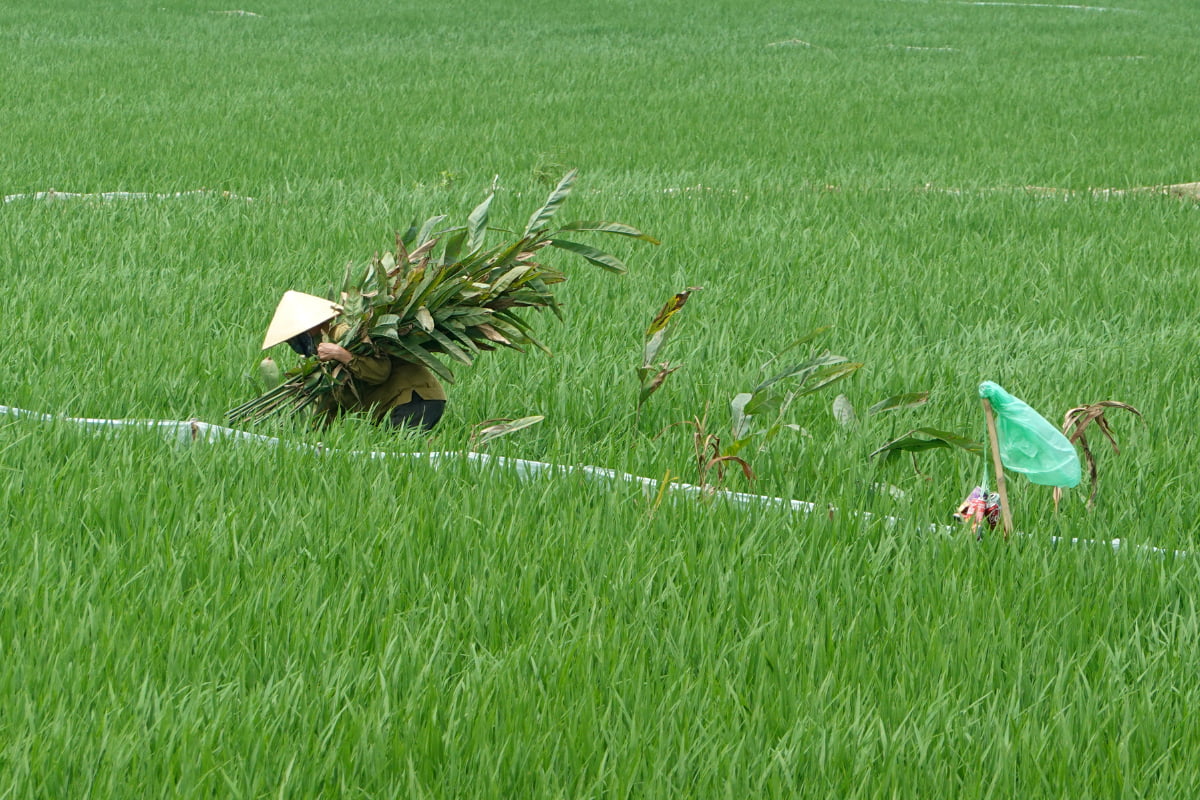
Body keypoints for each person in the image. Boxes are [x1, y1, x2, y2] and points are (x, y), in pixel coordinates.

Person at [261, 290, 447, 432]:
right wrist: (307, 434)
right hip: (404, 404)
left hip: (414, 399)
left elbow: (380, 372)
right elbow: (329, 407)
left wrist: (341, 354)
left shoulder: (344, 333)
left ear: (312, 326)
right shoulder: (326, 359)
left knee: (400, 458)